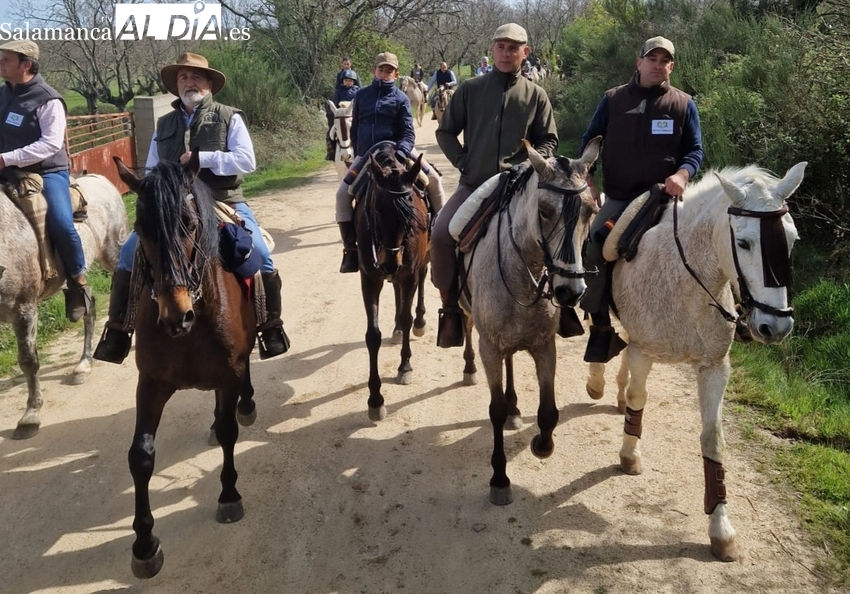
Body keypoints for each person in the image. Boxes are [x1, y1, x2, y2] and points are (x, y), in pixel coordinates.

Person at [93, 52, 290, 363]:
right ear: (176, 85)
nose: (189, 82)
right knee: (129, 252)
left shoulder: (229, 116)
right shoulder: (164, 123)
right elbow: (152, 168)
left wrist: (204, 159)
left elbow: (247, 161)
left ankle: (270, 325)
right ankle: (118, 330)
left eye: (196, 76)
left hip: (221, 200)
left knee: (260, 253)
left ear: (209, 83)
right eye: (183, 77)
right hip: (175, 206)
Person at [578, 36, 704, 363]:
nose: (657, 65)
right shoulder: (613, 99)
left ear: (671, 67)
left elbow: (694, 151)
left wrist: (682, 175)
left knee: (705, 244)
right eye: (652, 59)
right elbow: (590, 141)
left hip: (664, 199)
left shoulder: (683, 104)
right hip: (621, 200)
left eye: (664, 61)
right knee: (594, 245)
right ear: (639, 62)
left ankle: (717, 319)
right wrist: (589, 180)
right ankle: (602, 327)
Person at [432, 23, 558, 347]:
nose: (506, 53)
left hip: (520, 188)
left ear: (525, 53)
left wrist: (528, 164)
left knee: (559, 232)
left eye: (513, 48)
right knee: (441, 233)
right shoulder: (471, 90)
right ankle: (450, 310)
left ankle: (564, 308)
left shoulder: (536, 96)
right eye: (501, 47)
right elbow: (445, 132)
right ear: (492, 49)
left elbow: (549, 141)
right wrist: (463, 161)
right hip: (475, 185)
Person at [0, 40, 91, 322]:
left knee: (62, 223)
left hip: (47, 171)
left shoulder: (48, 98)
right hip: (6, 168)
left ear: (26, 64)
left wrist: (7, 158)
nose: (0, 64)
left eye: (6, 60)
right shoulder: (3, 93)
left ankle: (78, 282)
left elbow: (50, 144)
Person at [334, 52, 446, 273]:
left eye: (389, 71)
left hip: (398, 152)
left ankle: (439, 238)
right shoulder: (362, 97)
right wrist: (361, 152)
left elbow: (407, 132)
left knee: (433, 180)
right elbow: (355, 129)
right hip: (368, 156)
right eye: (381, 70)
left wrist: (402, 153)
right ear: (374, 71)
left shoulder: (401, 99)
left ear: (396, 74)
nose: (384, 74)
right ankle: (350, 250)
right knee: (341, 194)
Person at [326, 70, 360, 160]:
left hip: (353, 117)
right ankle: (331, 154)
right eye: (346, 80)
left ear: (353, 82)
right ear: (343, 81)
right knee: (330, 134)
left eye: (350, 81)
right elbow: (334, 103)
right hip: (341, 117)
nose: (348, 82)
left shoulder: (358, 92)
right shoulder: (338, 91)